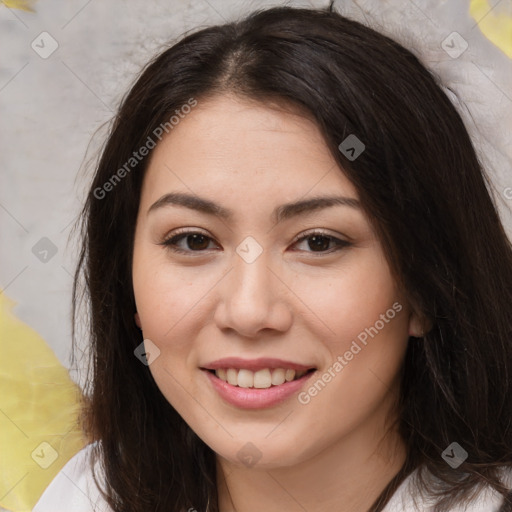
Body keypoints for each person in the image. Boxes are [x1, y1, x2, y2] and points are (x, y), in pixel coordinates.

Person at [33, 4, 512, 512]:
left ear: (425, 287)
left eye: (318, 242)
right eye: (194, 241)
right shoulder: (84, 495)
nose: (248, 311)